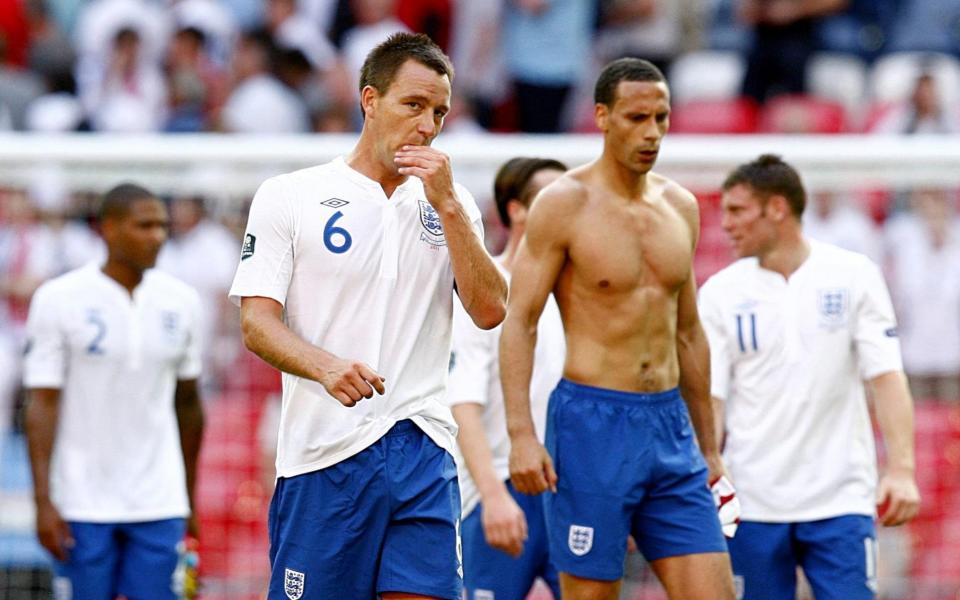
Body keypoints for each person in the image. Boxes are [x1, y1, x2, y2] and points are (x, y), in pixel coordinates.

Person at [229, 32, 507, 600]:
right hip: (326, 452)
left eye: (439, 112)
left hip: (423, 443)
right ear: (369, 100)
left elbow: (490, 310)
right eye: (414, 105)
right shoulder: (291, 195)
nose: (428, 125)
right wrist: (325, 367)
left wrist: (450, 206)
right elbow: (257, 322)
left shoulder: (451, 206)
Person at [500, 57, 736, 600]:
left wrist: (709, 445)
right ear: (603, 117)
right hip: (592, 425)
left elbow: (689, 331)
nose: (651, 132)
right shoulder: (563, 204)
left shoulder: (680, 206)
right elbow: (521, 321)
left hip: (671, 427)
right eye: (636, 117)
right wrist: (521, 435)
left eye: (661, 117)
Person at [699, 154, 921, 600]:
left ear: (776, 209)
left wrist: (902, 468)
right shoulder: (720, 292)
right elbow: (712, 399)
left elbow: (886, 376)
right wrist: (709, 464)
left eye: (737, 210)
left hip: (841, 498)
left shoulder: (854, 275)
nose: (725, 224)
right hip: (753, 502)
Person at [23, 183, 205, 599]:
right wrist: (43, 501)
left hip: (159, 500)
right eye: (144, 225)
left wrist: (188, 497)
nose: (157, 235)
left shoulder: (181, 301)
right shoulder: (58, 299)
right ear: (108, 228)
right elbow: (41, 404)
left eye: (161, 226)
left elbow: (190, 404)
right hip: (81, 500)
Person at [448, 157, 567, 600]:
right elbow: (461, 404)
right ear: (516, 209)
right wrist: (494, 497)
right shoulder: (486, 291)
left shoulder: (579, 298)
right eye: (553, 200)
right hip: (498, 491)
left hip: (568, 491)